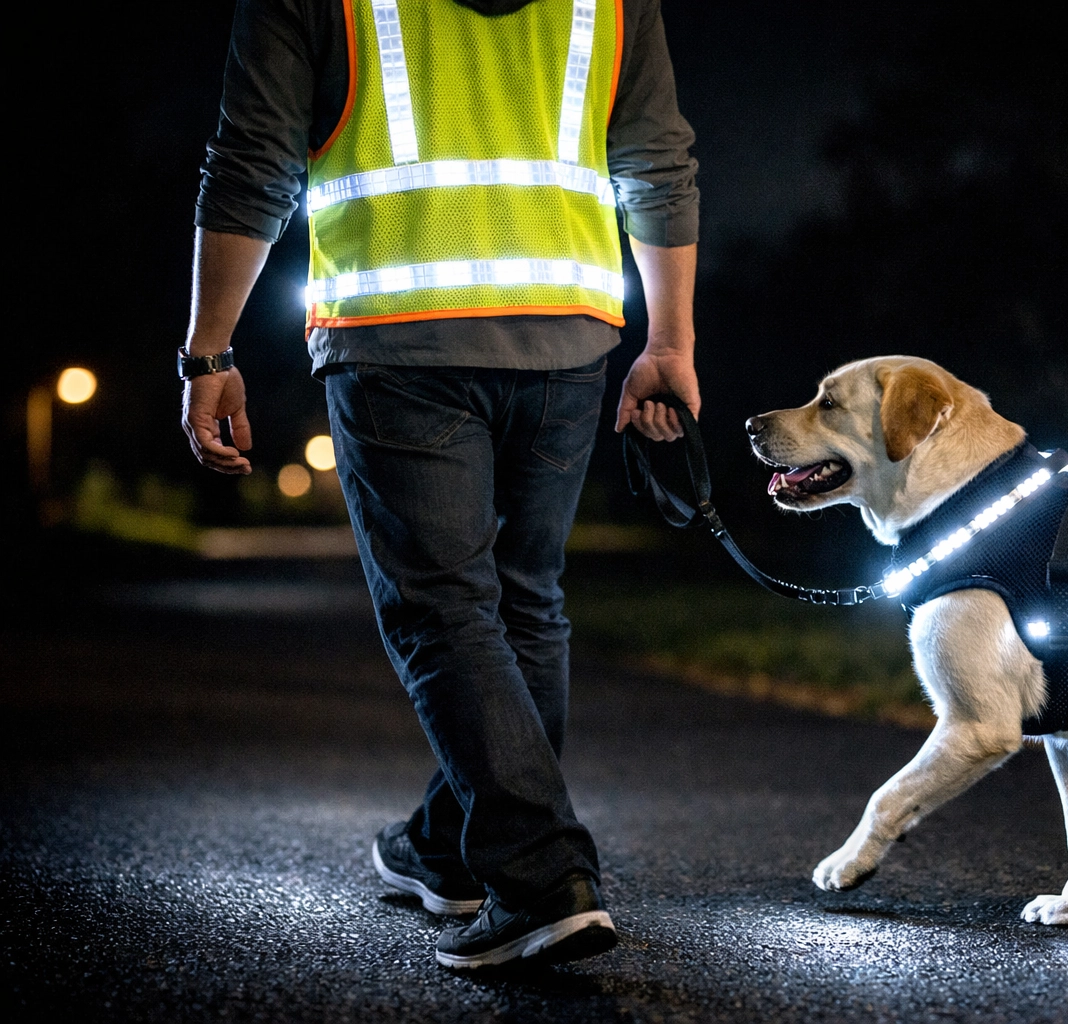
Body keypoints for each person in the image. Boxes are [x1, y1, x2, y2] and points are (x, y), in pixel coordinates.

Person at [179, 0, 699, 969]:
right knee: (523, 601)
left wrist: (208, 351)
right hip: (567, 325)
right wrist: (670, 338)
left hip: (398, 331)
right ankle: (449, 843)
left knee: (444, 607)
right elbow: (657, 162)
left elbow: (253, 162)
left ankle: (543, 878)